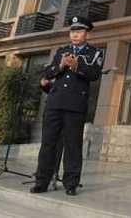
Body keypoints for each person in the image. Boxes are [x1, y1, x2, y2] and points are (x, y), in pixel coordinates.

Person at [30, 16, 103, 196]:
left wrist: (77, 66)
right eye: (72, 31)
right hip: (55, 103)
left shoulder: (94, 53)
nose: (75, 35)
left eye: (79, 31)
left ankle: (71, 183)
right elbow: (48, 73)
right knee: (48, 144)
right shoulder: (61, 51)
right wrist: (61, 65)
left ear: (86, 33)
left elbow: (94, 74)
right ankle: (42, 181)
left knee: (72, 145)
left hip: (75, 105)